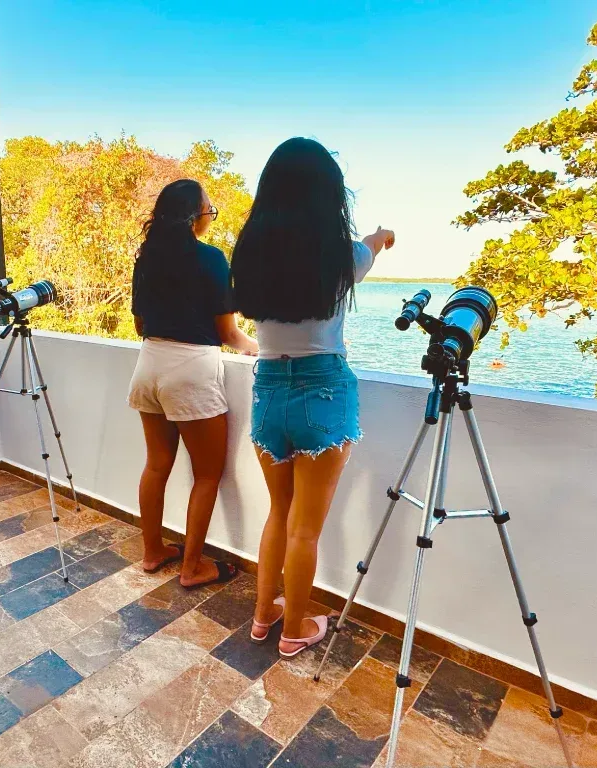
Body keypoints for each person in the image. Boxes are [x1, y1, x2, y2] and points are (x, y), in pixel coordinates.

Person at [231, 138, 394, 657]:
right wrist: (383, 234)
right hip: (324, 388)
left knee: (279, 512)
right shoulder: (342, 257)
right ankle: (296, 627)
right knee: (306, 527)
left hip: (268, 388)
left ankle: (263, 616)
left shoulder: (251, 252)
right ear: (330, 194)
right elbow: (374, 242)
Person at [127, 178, 258, 588]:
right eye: (208, 211)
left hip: (149, 363)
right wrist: (262, 348)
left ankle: (152, 552)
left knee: (156, 464)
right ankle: (193, 567)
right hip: (191, 370)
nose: (209, 218)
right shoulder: (211, 259)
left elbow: (140, 325)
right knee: (207, 474)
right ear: (193, 217)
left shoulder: (146, 258)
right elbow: (229, 334)